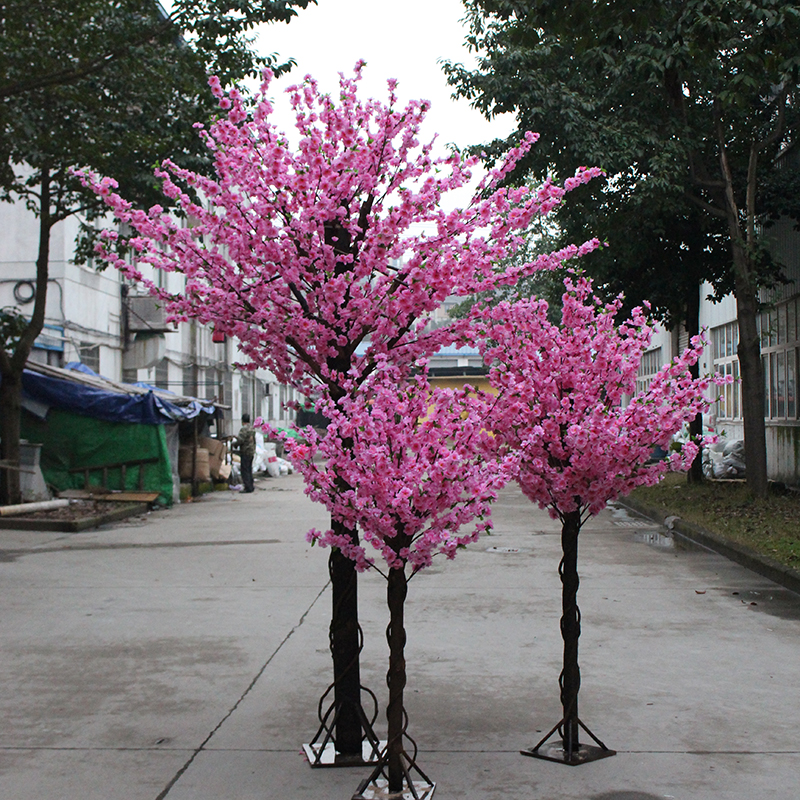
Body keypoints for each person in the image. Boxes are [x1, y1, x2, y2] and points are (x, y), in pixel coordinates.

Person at [235, 413, 256, 493]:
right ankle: (251, 485)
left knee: (245, 470)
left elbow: (241, 440)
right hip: (251, 451)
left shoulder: (244, 429)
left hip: (245, 451)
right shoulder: (252, 428)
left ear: (242, 421)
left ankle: (248, 487)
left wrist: (235, 444)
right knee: (249, 469)